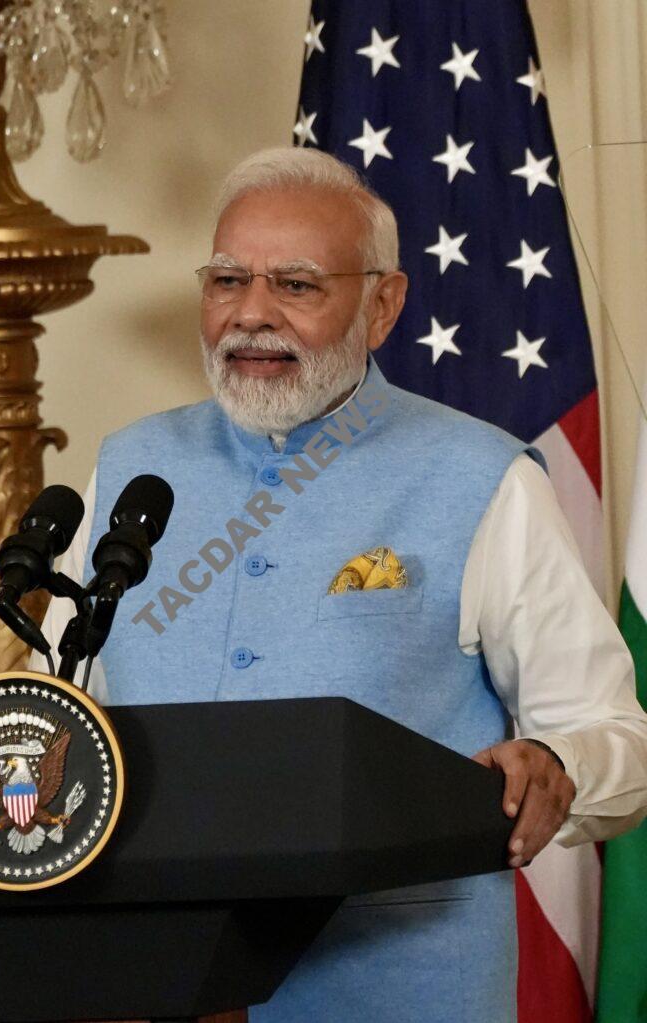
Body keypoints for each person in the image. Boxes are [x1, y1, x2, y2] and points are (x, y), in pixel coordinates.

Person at [32, 147, 647, 1022]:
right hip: (146, 984)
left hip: (400, 989)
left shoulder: (480, 476)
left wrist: (556, 764)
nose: (251, 316)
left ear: (385, 304)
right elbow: (56, 705)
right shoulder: (130, 467)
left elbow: (613, 730)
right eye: (226, 280)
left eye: (295, 285)